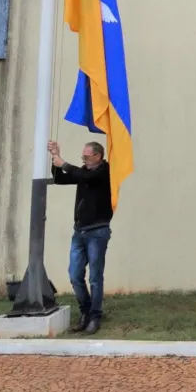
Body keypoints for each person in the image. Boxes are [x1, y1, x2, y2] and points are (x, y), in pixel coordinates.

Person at [48, 140, 113, 335]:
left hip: (97, 232)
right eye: (82, 157)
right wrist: (55, 159)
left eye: (86, 157)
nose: (83, 160)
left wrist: (64, 163)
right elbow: (60, 179)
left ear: (98, 156)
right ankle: (85, 311)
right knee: (75, 275)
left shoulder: (104, 172)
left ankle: (95, 316)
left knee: (95, 277)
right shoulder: (84, 172)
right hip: (79, 232)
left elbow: (86, 176)